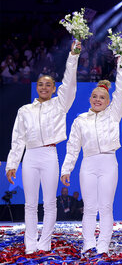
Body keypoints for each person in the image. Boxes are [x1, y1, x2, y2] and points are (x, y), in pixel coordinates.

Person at [5, 41, 81, 254]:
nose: (44, 88)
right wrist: (12, 164)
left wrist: (73, 57)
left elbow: (70, 85)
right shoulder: (25, 110)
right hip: (30, 156)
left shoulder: (59, 104)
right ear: (36, 87)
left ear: (54, 88)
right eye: (41, 85)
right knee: (30, 204)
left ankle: (44, 242)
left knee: (49, 203)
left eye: (48, 85)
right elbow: (18, 139)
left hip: (49, 155)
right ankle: (30, 245)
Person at [60, 56, 122, 255]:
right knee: (89, 207)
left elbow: (121, 92)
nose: (98, 100)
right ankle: (88, 244)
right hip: (88, 164)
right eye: (95, 97)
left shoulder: (114, 114)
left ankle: (103, 245)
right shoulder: (81, 120)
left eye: (102, 98)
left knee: (105, 206)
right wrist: (66, 169)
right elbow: (73, 147)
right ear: (90, 99)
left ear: (108, 101)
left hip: (108, 162)